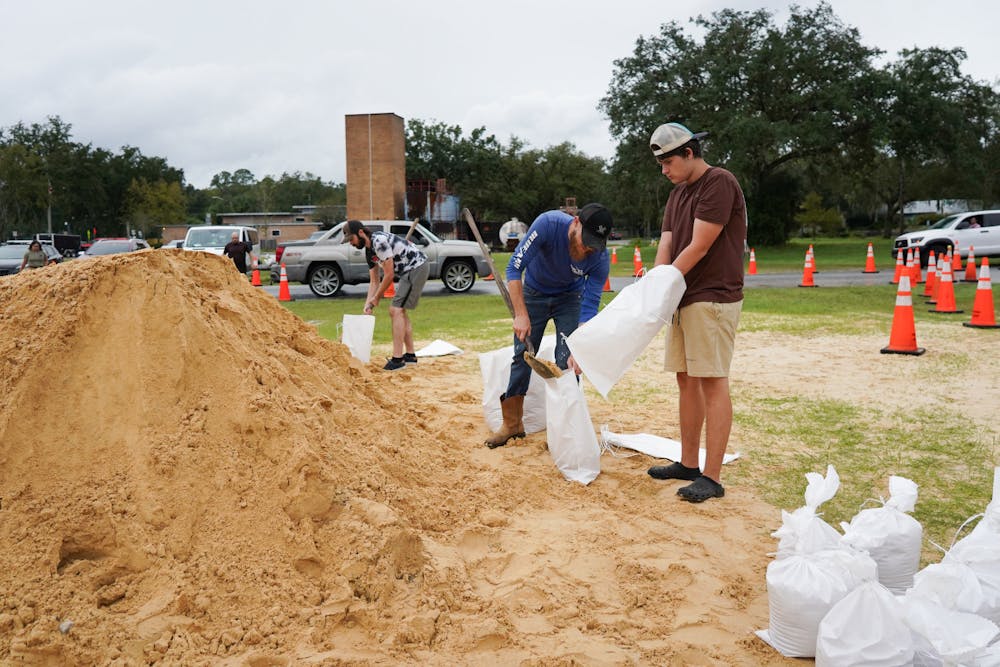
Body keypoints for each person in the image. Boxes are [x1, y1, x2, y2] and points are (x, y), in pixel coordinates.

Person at [646, 122, 747, 503]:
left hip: (713, 297)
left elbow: (701, 245)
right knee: (685, 380)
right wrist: (657, 281)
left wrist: (666, 280)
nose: (664, 170)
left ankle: (713, 477)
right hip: (682, 295)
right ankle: (688, 463)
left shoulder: (719, 182)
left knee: (712, 381)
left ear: (689, 153)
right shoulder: (677, 195)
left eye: (668, 162)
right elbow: (668, 243)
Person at [485, 203, 612, 448]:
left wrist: (580, 346)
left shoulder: (599, 257)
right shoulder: (548, 224)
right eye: (584, 240)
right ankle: (512, 424)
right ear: (575, 222)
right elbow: (514, 267)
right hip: (534, 294)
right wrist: (521, 314)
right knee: (523, 355)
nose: (587, 248)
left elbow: (591, 302)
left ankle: (567, 427)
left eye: (593, 245)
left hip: (570, 299)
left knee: (567, 362)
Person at [345, 219, 430, 371]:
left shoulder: (378, 242)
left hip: (416, 267)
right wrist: (368, 304)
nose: (350, 243)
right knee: (400, 311)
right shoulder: (369, 251)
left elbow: (389, 274)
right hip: (408, 271)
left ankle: (398, 360)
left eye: (351, 239)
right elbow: (374, 281)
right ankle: (410, 356)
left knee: (395, 310)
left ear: (360, 232)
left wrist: (377, 298)